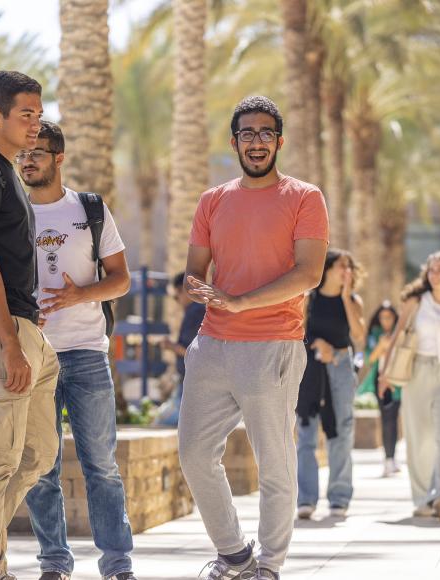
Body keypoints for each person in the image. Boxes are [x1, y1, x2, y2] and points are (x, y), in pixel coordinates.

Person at [177, 96, 328, 580]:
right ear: (234, 142)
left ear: (279, 142)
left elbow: (309, 273)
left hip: (274, 345)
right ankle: (234, 554)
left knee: (275, 464)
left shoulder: (305, 197)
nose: (257, 142)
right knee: (195, 454)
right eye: (247, 133)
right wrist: (205, 292)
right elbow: (192, 275)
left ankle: (269, 564)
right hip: (212, 345)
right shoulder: (212, 200)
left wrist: (243, 301)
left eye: (266, 133)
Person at [17, 121, 136, 580]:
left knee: (102, 465)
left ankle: (118, 565)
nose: (28, 160)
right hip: (34, 356)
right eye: (23, 154)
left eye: (38, 153)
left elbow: (121, 280)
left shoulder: (90, 210)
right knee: (41, 467)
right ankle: (53, 563)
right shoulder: (12, 213)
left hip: (86, 353)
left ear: (59, 157)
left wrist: (76, 296)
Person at [0, 71, 60, 580]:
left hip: (30, 333)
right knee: (0, 462)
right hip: (8, 335)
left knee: (38, 453)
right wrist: (10, 344)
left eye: (39, 114)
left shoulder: (7, 173)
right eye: (26, 114)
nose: (36, 124)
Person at [380, 251, 440, 519]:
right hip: (418, 371)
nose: (435, 275)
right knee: (419, 437)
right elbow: (397, 336)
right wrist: (385, 375)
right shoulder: (415, 302)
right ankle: (423, 498)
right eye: (431, 270)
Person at [296, 249, 365, 519]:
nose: (346, 271)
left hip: (341, 366)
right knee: (306, 432)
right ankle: (306, 499)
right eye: (341, 266)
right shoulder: (309, 299)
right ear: (328, 269)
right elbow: (297, 331)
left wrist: (346, 296)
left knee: (342, 430)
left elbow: (357, 335)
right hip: (312, 368)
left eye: (349, 266)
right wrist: (317, 343)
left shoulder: (353, 300)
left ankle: (339, 497)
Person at [153, 272, 205, 426]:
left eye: (176, 297)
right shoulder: (199, 310)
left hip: (192, 379)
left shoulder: (195, 311)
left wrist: (169, 346)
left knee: (165, 424)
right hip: (193, 378)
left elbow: (191, 351)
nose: (177, 302)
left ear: (184, 290)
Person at [359, 301, 402, 477]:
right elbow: (369, 358)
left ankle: (392, 457)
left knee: (394, 418)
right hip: (381, 383)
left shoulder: (400, 334)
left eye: (389, 317)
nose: (386, 320)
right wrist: (381, 346)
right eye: (383, 317)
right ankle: (388, 459)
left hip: (398, 383)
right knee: (386, 419)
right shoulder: (374, 335)